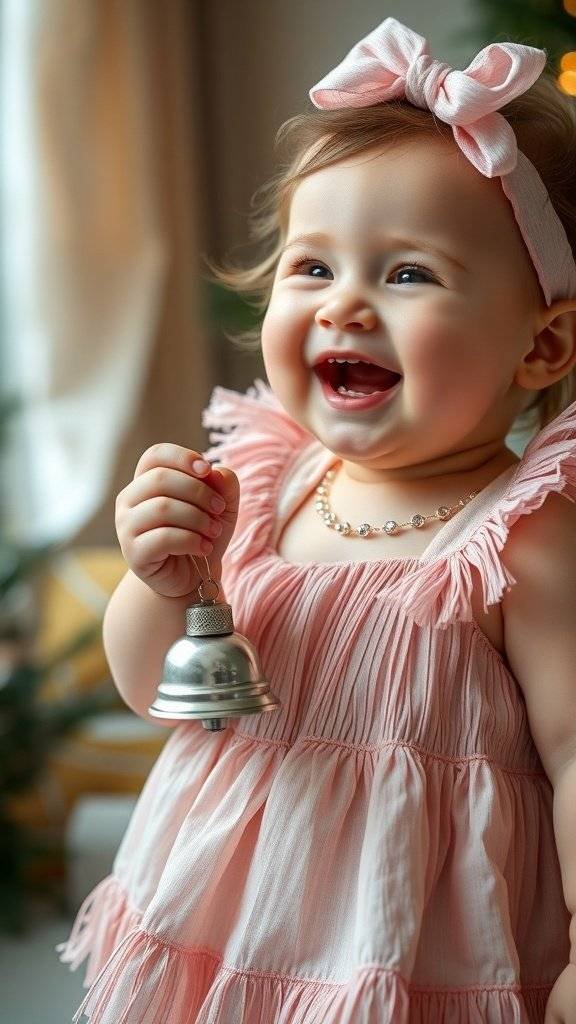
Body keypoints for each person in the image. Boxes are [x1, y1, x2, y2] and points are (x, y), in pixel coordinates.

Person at [58, 17, 576, 1023]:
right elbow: (161, 696)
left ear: (544, 345)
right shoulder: (261, 484)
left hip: (414, 943)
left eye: (408, 273)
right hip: (222, 929)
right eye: (312, 267)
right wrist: (160, 585)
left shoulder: (524, 538)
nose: (343, 307)